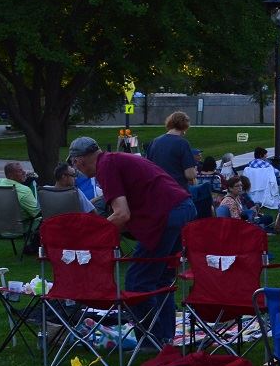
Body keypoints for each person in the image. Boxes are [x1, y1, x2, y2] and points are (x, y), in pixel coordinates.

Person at [67, 136, 196, 345]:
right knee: (162, 279)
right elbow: (126, 218)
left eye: (74, 163)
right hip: (182, 207)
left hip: (166, 214)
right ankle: (165, 339)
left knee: (138, 281)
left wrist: (89, 239)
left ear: (78, 160)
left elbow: (121, 215)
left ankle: (149, 341)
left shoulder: (106, 167)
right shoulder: (114, 159)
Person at [144, 110, 197, 185]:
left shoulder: (155, 141)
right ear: (185, 127)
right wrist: (195, 172)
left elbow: (147, 167)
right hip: (176, 189)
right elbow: (190, 175)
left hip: (157, 187)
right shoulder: (182, 143)